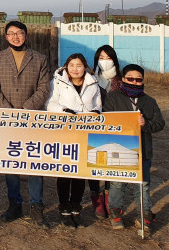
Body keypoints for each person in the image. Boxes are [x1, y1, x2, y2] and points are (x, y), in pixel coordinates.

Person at [0, 21, 51, 228]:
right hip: (8, 120)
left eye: (19, 33)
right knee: (11, 162)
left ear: (26, 35)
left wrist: (26, 109)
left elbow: (44, 88)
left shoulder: (39, 59)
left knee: (35, 162)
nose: (16, 37)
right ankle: (14, 204)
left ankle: (36, 206)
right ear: (6, 37)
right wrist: (7, 110)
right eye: (11, 33)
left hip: (32, 119)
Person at [104, 64, 165, 235]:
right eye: (130, 79)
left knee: (142, 185)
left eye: (138, 80)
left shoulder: (149, 101)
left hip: (143, 151)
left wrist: (146, 124)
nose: (134, 82)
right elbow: (106, 119)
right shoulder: (113, 97)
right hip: (119, 149)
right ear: (123, 79)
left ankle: (144, 215)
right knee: (118, 183)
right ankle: (115, 212)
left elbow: (160, 123)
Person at [45, 53, 101, 228]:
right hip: (64, 132)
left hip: (85, 132)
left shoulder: (93, 83)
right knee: (65, 171)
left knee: (80, 172)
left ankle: (76, 208)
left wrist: (96, 112)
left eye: (79, 65)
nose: (75, 69)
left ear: (85, 67)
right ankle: (64, 208)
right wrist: (63, 110)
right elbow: (49, 103)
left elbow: (98, 104)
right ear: (66, 67)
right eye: (72, 65)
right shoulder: (58, 81)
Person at [89, 44, 122, 219]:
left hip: (114, 128)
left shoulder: (121, 80)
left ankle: (109, 196)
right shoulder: (91, 78)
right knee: (93, 161)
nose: (105, 61)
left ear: (114, 59)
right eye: (101, 58)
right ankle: (96, 198)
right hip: (94, 128)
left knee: (111, 163)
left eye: (108, 58)